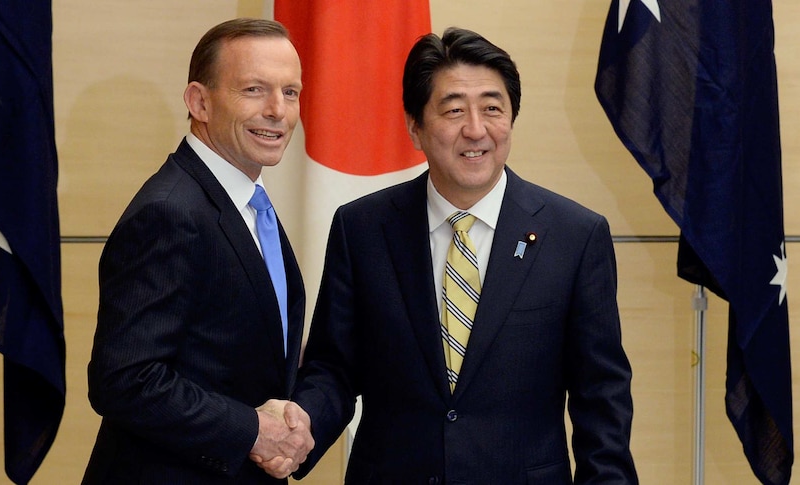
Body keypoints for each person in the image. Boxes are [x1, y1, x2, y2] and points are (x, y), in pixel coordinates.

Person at [280, 27, 638, 483]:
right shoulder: (362, 228)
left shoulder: (575, 236)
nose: (476, 129)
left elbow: (601, 398)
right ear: (415, 127)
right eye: (453, 110)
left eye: (493, 108)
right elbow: (333, 368)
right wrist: (300, 428)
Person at [83, 18, 313, 484]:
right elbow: (125, 380)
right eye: (254, 89)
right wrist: (252, 431)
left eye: (290, 92)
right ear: (199, 102)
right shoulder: (172, 211)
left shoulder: (246, 202)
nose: (278, 110)